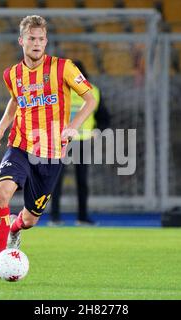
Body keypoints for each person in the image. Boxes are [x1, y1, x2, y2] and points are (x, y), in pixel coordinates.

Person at [0, 15, 97, 278]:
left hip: (51, 153)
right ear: (22, 41)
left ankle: (15, 230)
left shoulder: (64, 68)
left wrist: (73, 126)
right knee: (1, 194)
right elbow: (15, 100)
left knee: (30, 219)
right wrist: (1, 128)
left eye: (41, 39)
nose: (36, 43)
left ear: (46, 42)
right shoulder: (11, 74)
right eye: (31, 38)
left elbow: (89, 100)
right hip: (20, 145)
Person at [49, 60, 110, 227]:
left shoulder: (93, 92)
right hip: (62, 141)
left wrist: (98, 130)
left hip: (82, 142)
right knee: (56, 180)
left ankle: (81, 217)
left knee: (81, 181)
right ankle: (55, 217)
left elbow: (104, 118)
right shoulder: (59, 91)